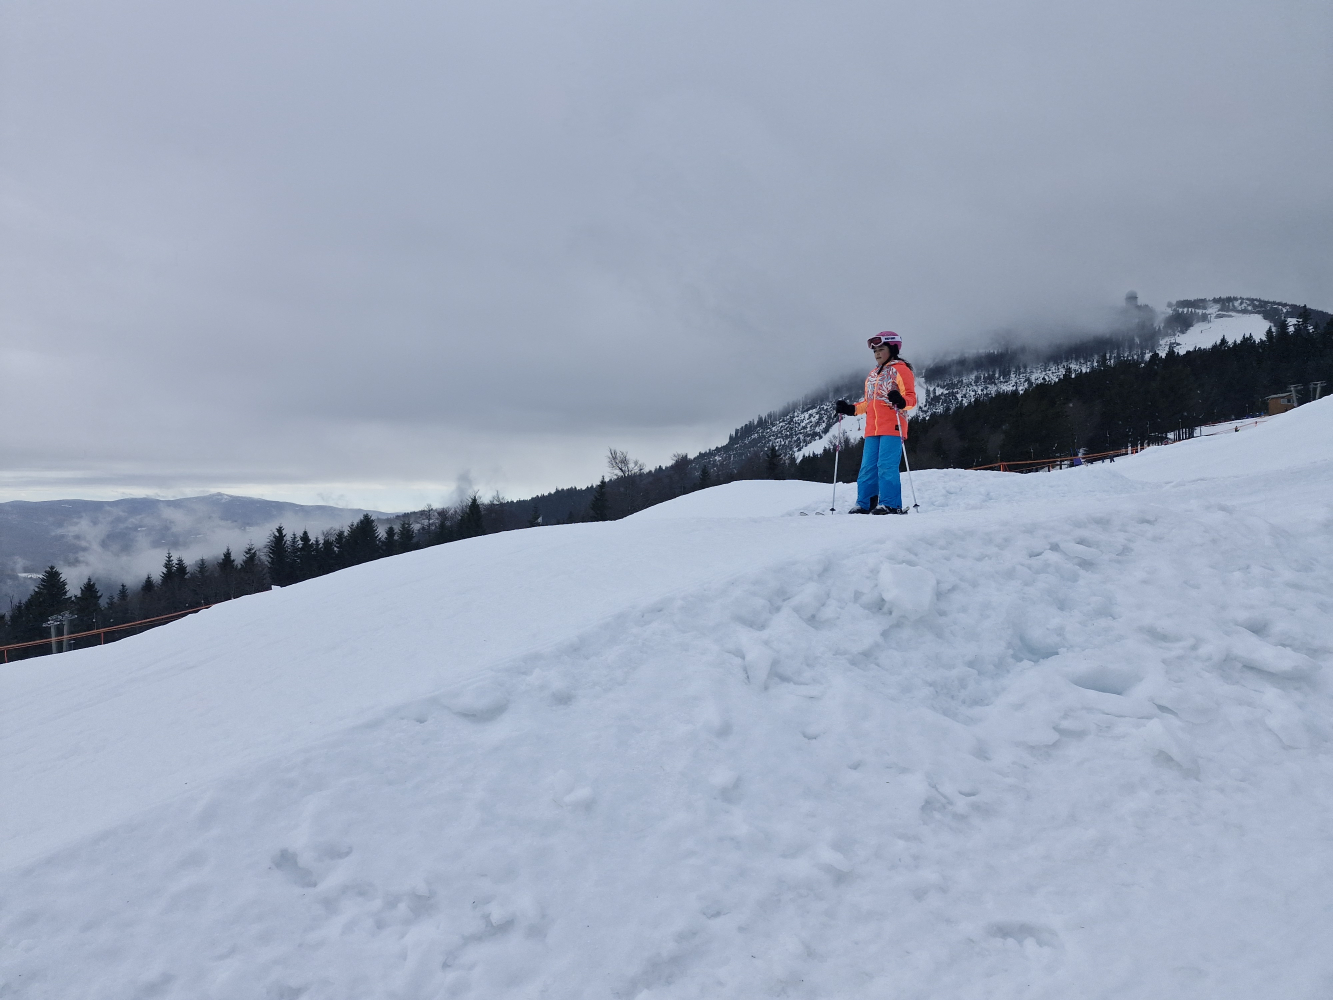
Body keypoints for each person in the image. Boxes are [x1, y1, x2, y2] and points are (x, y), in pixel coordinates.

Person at [834, 331, 918, 514]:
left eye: (881, 349)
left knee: (886, 466)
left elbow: (911, 399)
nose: (877, 354)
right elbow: (868, 403)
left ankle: (891, 504)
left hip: (893, 426)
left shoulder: (901, 370)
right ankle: (865, 503)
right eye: (875, 351)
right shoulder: (872, 375)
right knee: (868, 468)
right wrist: (850, 409)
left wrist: (901, 401)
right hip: (872, 428)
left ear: (893, 349)